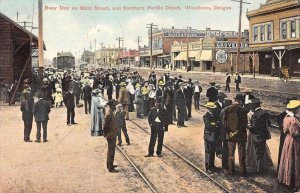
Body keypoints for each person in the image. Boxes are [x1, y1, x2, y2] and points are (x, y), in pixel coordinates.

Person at [222, 94, 248, 176]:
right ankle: (243, 171)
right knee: (242, 154)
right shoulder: (244, 110)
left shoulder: (227, 109)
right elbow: (245, 124)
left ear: (235, 100)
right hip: (241, 135)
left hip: (230, 135)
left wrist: (229, 131)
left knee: (231, 154)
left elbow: (224, 123)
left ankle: (231, 171)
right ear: (240, 101)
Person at [278, 100, 300, 192]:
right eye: (298, 108)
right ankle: (293, 182)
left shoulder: (286, 117)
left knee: (286, 158)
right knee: (294, 160)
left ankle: (285, 179)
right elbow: (295, 133)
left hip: (287, 139)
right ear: (294, 109)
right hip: (293, 141)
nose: (298, 110)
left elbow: (285, 130)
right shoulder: (294, 120)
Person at [247, 98, 272, 174]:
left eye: (251, 105)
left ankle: (259, 170)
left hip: (257, 136)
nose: (251, 107)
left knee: (257, 153)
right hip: (263, 136)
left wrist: (248, 127)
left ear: (254, 105)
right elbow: (269, 123)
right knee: (262, 151)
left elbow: (254, 127)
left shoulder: (255, 114)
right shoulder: (264, 112)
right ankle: (262, 167)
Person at [203, 102, 219, 173]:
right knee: (208, 151)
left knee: (213, 151)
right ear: (208, 108)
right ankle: (208, 167)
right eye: (211, 108)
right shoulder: (206, 115)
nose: (212, 110)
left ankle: (212, 165)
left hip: (213, 135)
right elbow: (208, 125)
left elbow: (217, 123)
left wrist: (215, 124)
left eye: (213, 108)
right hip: (208, 136)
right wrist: (215, 125)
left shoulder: (214, 115)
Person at [103, 99, 118, 173]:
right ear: (111, 106)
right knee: (111, 151)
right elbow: (105, 126)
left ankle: (110, 164)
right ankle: (110, 167)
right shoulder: (109, 114)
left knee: (112, 150)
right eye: (114, 105)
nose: (115, 106)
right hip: (110, 135)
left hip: (112, 134)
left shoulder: (111, 112)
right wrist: (106, 134)